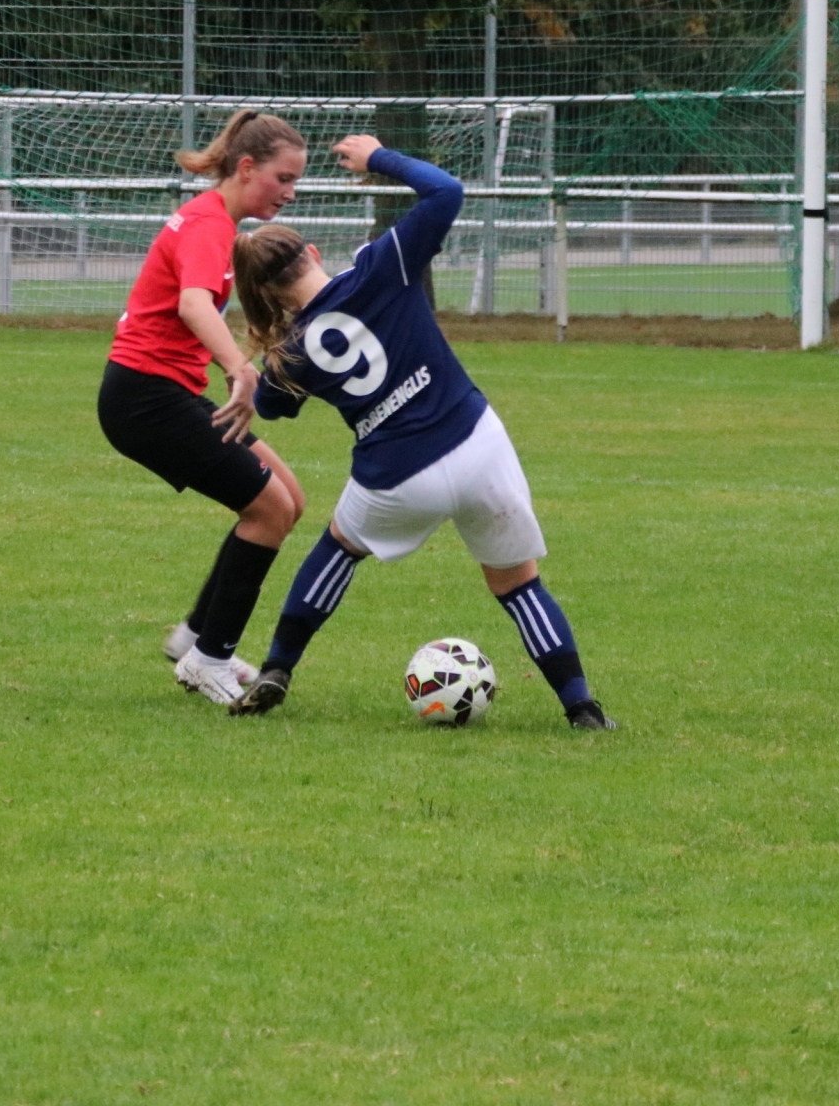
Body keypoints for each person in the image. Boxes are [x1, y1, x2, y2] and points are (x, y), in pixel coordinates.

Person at [225, 134, 615, 730]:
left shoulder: (292, 354)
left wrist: (255, 359)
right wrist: (378, 159)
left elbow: (271, 407)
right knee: (518, 587)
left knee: (339, 550)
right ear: (313, 251)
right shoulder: (383, 264)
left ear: (266, 293)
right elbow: (446, 191)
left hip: (398, 477)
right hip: (477, 442)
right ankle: (582, 707)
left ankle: (278, 666)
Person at [97, 109, 308, 705]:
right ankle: (208, 660)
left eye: (295, 181)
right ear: (247, 167)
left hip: (161, 394)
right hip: (144, 400)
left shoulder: (213, 220)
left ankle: (196, 637)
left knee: (289, 500)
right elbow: (193, 305)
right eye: (283, 179)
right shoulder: (208, 223)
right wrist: (239, 368)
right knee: (268, 510)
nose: (290, 193)